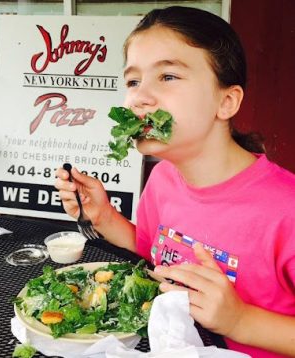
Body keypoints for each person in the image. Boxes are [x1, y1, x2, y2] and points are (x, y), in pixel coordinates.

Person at [55, 6, 295, 357]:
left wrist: (240, 320)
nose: (139, 98)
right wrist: (104, 217)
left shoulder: (286, 209)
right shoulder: (164, 178)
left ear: (226, 101)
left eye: (167, 76)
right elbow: (155, 253)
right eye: (133, 81)